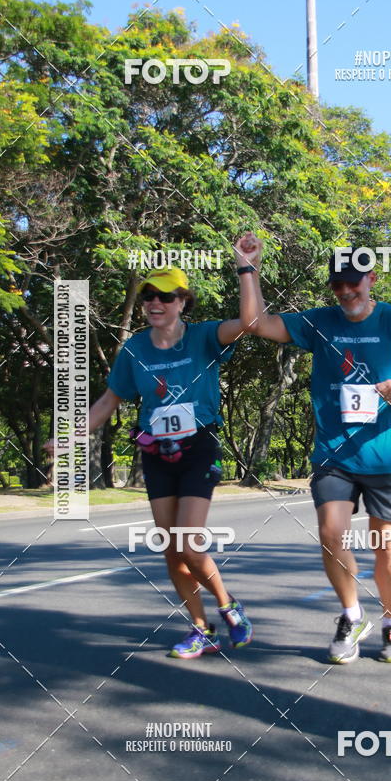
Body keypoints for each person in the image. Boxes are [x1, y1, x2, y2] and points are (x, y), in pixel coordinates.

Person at [46, 236, 259, 659]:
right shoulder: (134, 349)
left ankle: (229, 605)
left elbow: (251, 322)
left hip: (199, 445)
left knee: (189, 541)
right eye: (147, 296)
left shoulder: (204, 338)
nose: (154, 303)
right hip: (156, 451)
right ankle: (201, 628)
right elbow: (108, 403)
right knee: (171, 546)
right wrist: (69, 438)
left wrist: (245, 267)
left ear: (183, 302)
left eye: (165, 296)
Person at [238, 245, 391, 664]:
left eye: (354, 281)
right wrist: (248, 269)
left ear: (371, 280)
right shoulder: (320, 321)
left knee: (385, 543)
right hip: (333, 452)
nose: (346, 290)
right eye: (338, 284)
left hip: (385, 453)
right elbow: (256, 323)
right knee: (332, 534)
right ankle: (351, 616)